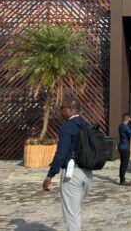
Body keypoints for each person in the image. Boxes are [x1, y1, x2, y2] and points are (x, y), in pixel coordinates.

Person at [43, 97, 92, 231]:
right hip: (87, 173)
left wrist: (50, 176)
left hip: (72, 174)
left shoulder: (68, 126)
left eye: (62, 108)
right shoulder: (85, 124)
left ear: (71, 109)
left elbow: (61, 153)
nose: (60, 111)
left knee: (71, 214)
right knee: (75, 212)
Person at [118, 113, 131, 186]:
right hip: (125, 147)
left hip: (121, 146)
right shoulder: (125, 126)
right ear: (127, 119)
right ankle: (122, 180)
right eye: (130, 119)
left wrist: (130, 124)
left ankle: (121, 179)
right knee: (124, 164)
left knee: (122, 164)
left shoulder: (121, 125)